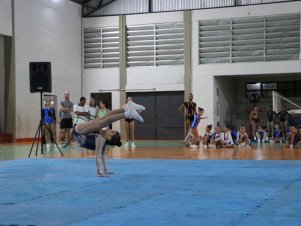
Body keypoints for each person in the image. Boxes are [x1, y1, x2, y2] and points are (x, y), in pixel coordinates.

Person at [73, 101, 145, 177]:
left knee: (104, 121)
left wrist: (100, 172)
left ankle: (127, 113)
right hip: (82, 133)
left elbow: (99, 156)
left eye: (112, 132)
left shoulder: (101, 140)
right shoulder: (103, 138)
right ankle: (126, 108)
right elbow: (103, 156)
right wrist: (106, 171)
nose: (111, 130)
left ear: (109, 137)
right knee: (105, 118)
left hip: (79, 132)